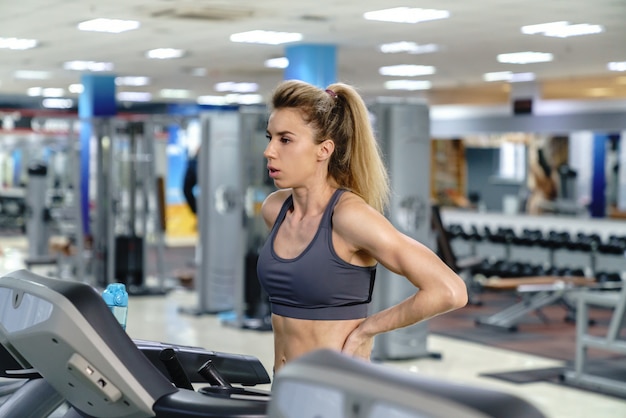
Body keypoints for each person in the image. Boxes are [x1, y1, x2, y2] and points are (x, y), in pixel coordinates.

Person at [256, 80, 468, 373]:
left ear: (324, 150)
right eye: (270, 137)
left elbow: (449, 290)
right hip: (286, 388)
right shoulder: (274, 210)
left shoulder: (348, 217)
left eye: (285, 139)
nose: (269, 151)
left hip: (335, 391)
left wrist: (368, 330)